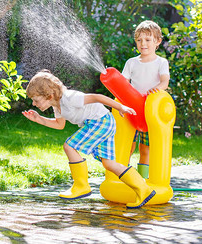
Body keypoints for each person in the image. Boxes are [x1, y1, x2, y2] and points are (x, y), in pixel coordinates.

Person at [22, 70, 156, 208]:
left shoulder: (70, 97)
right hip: (103, 122)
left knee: (69, 146)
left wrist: (120, 107)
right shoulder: (57, 106)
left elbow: (97, 97)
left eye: (36, 100)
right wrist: (39, 119)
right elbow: (59, 125)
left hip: (100, 122)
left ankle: (81, 185)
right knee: (109, 164)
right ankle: (144, 189)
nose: (33, 104)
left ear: (49, 96)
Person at [122, 20, 170, 179]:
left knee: (145, 148)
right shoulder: (131, 62)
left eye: (148, 40)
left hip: (150, 111)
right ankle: (124, 176)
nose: (143, 43)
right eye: (139, 40)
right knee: (128, 145)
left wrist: (158, 88)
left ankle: (143, 179)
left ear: (157, 42)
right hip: (132, 110)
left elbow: (164, 81)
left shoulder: (161, 62)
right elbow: (123, 83)